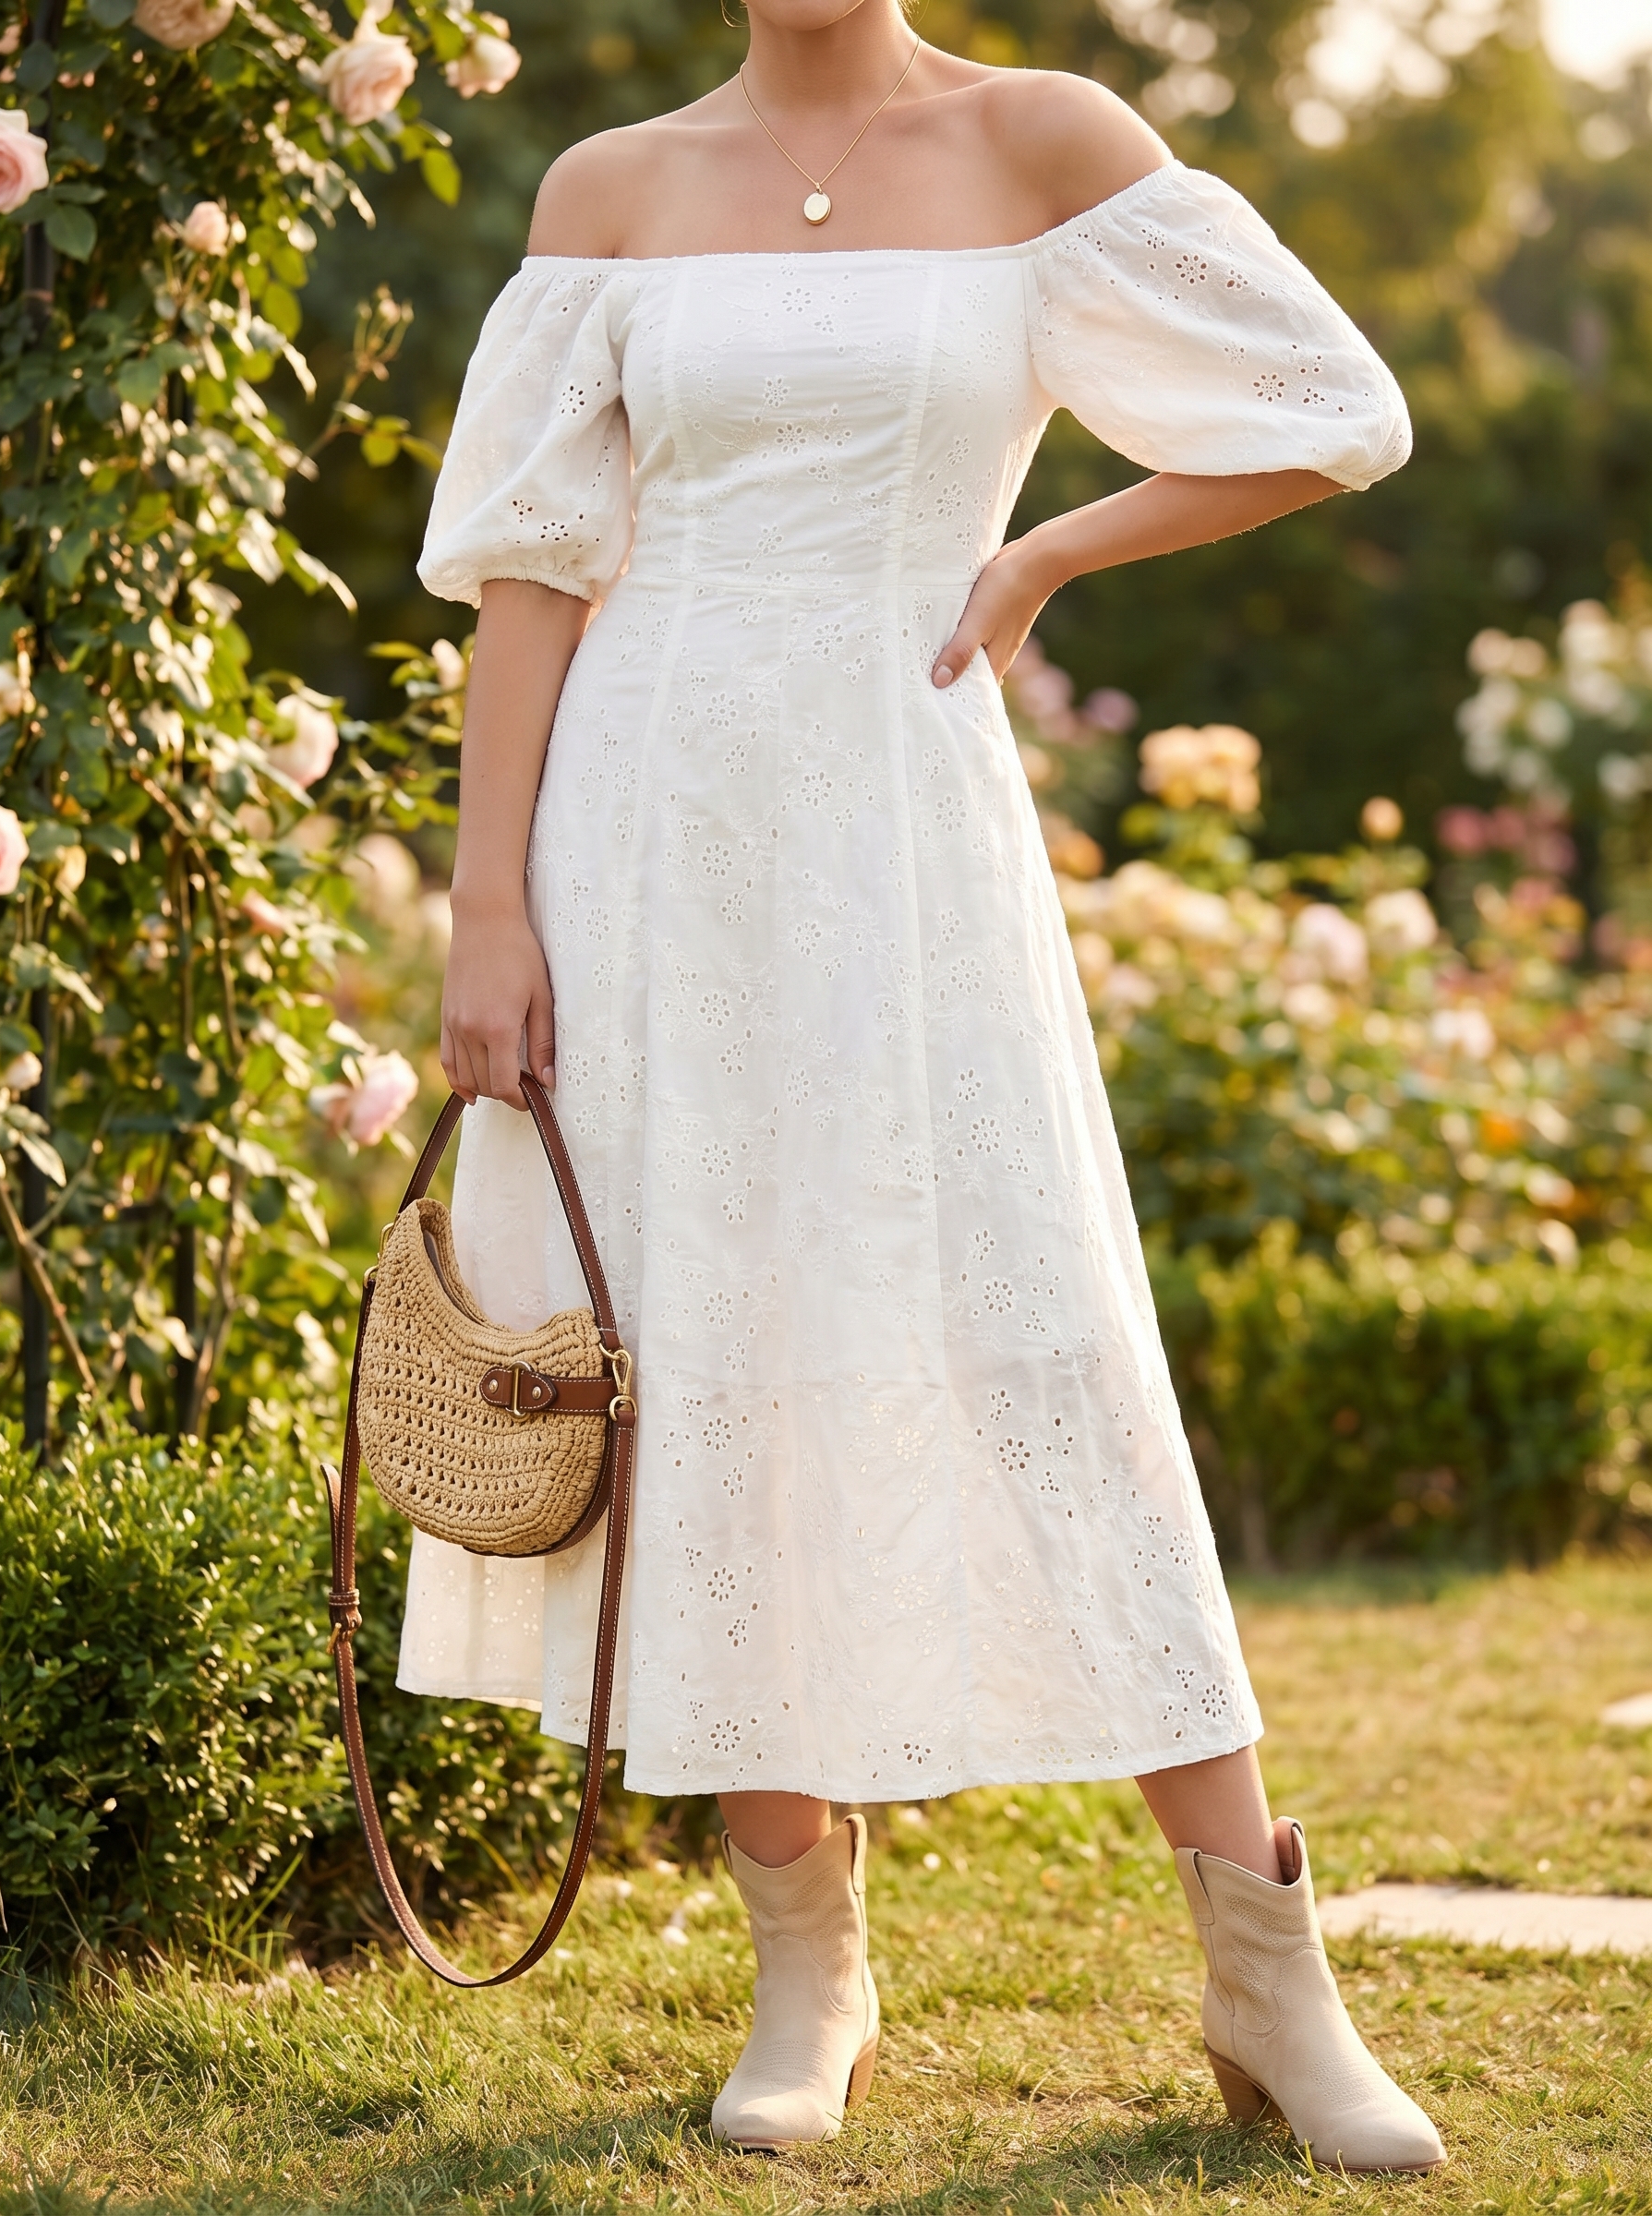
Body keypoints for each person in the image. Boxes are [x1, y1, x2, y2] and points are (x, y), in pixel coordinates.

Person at [404, 0, 1443, 2174]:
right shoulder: (610, 188)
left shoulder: (1041, 138)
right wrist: (485, 910)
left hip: (900, 810)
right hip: (641, 837)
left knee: (1040, 1335)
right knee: (700, 1364)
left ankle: (1266, 1976)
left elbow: (1331, 411)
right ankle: (809, 1967)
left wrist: (1057, 544)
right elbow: (528, 570)